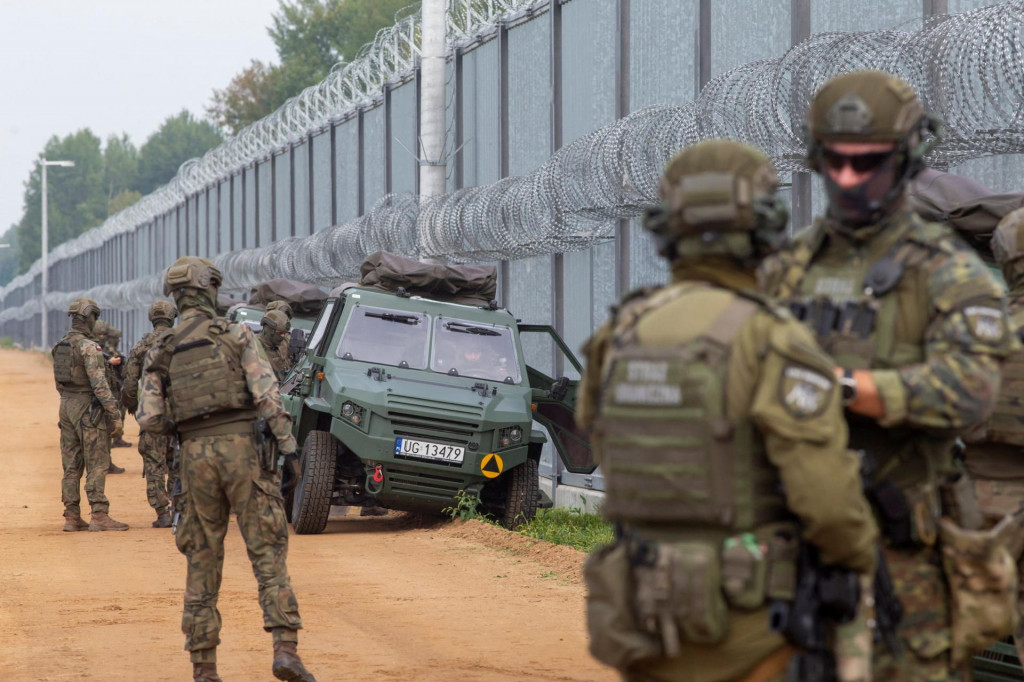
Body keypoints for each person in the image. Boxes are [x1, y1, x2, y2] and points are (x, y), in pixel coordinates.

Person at [576, 139, 879, 682]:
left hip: (642, 616)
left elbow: (599, 439)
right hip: (751, 629)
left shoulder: (619, 334)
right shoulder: (774, 339)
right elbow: (828, 505)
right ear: (765, 227)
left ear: (667, 227)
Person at [760, 70, 1017, 680]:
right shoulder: (785, 271)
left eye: (868, 162)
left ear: (905, 157)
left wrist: (851, 389)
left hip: (905, 559)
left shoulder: (950, 273)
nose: (849, 179)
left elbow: (972, 393)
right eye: (834, 161)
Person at [137, 256, 316, 682]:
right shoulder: (235, 333)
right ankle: (285, 649)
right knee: (267, 550)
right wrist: (288, 448)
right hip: (243, 452)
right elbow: (268, 395)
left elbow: (148, 417)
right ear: (210, 288)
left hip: (194, 458)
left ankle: (204, 667)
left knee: (202, 559)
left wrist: (184, 430)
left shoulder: (162, 349)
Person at [52, 298, 129, 532]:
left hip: (66, 406)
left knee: (71, 464)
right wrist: (114, 414)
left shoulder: (60, 346)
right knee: (97, 461)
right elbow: (100, 385)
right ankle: (98, 514)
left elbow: (59, 383)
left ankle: (71, 516)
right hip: (89, 409)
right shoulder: (89, 347)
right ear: (89, 318)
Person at [122, 300, 179, 528]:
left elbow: (129, 382)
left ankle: (162, 513)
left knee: (154, 461)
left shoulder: (141, 346)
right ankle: (178, 508)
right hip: (178, 411)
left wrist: (134, 405)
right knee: (177, 461)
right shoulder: (183, 342)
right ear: (172, 317)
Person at [259, 310, 293, 381]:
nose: (283, 336)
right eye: (280, 333)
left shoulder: (284, 344)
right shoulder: (253, 347)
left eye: (285, 333)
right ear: (269, 330)